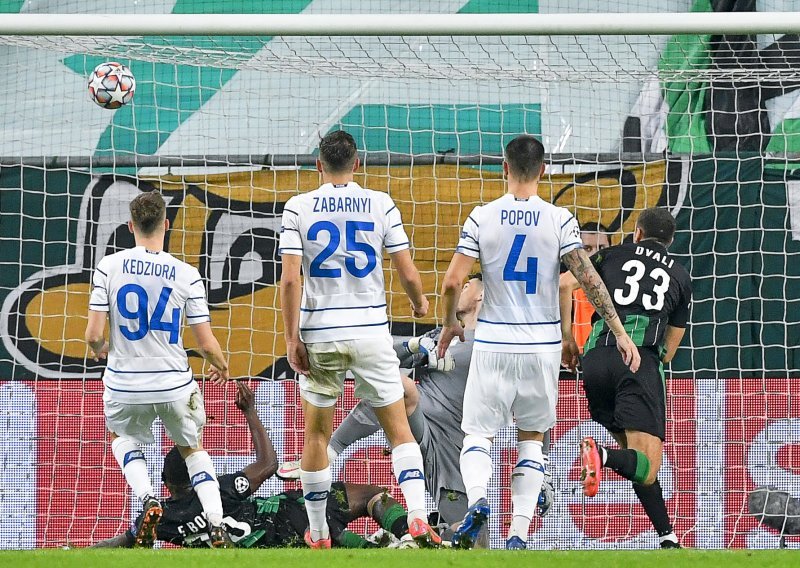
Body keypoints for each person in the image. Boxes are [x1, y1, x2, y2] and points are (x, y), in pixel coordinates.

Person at [437, 135, 640, 550]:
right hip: (540, 347)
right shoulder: (559, 220)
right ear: (543, 171)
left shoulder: (482, 217)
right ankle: (517, 533)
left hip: (493, 341)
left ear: (505, 168)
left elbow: (453, 281)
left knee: (477, 434)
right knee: (530, 439)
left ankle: (477, 501)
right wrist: (619, 332)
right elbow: (587, 277)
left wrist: (448, 325)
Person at [277, 274, 556, 538]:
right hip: (415, 428)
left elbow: (537, 409)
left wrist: (541, 466)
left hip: (453, 452)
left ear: (482, 294)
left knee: (471, 540)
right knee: (396, 385)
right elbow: (385, 356)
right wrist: (413, 345)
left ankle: (416, 540)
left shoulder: (498, 345)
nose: (461, 289)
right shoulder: (442, 333)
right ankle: (331, 450)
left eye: (468, 285)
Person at [278, 130, 438, 548]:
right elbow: (406, 269)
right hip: (370, 332)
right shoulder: (380, 202)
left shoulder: (298, 208)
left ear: (318, 165)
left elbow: (291, 279)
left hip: (321, 334)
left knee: (315, 437)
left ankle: (317, 533)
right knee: (399, 430)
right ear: (357, 164)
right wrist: (419, 302)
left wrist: (291, 337)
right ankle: (419, 518)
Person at [92, 383, 411, 549]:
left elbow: (125, 540)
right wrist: (251, 411)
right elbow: (269, 463)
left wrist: (84, 549)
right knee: (373, 496)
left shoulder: (164, 519)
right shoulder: (216, 492)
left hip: (278, 534)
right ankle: (404, 538)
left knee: (328, 530)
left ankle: (381, 547)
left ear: (165, 481)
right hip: (282, 515)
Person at [85, 190, 232, 547]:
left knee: (121, 438)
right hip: (173, 383)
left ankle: (148, 497)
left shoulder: (109, 267)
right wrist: (222, 366)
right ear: (166, 225)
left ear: (130, 226)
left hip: (125, 384)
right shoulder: (187, 274)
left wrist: (100, 348)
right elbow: (206, 342)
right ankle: (216, 522)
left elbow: (92, 335)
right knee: (192, 448)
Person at [560, 207, 692, 549]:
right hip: (637, 363)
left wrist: (567, 338)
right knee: (646, 466)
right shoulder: (679, 274)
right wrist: (650, 365)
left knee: (635, 459)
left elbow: (563, 284)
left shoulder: (612, 253)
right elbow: (670, 349)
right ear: (670, 240)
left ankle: (668, 539)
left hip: (594, 362)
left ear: (636, 232)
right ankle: (599, 455)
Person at [571, 222, 612, 351]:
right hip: (573, 357)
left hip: (607, 354)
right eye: (588, 249)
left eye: (601, 247)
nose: (596, 254)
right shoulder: (564, 284)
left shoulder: (619, 283)